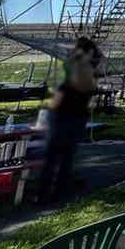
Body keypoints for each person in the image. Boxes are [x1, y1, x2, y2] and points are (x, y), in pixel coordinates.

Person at [38, 36, 102, 203]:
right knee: (66, 157)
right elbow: (89, 96)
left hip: (62, 115)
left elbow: (60, 94)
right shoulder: (88, 72)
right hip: (77, 116)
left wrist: (50, 111)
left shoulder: (72, 67)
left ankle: (45, 193)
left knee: (52, 157)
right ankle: (61, 190)